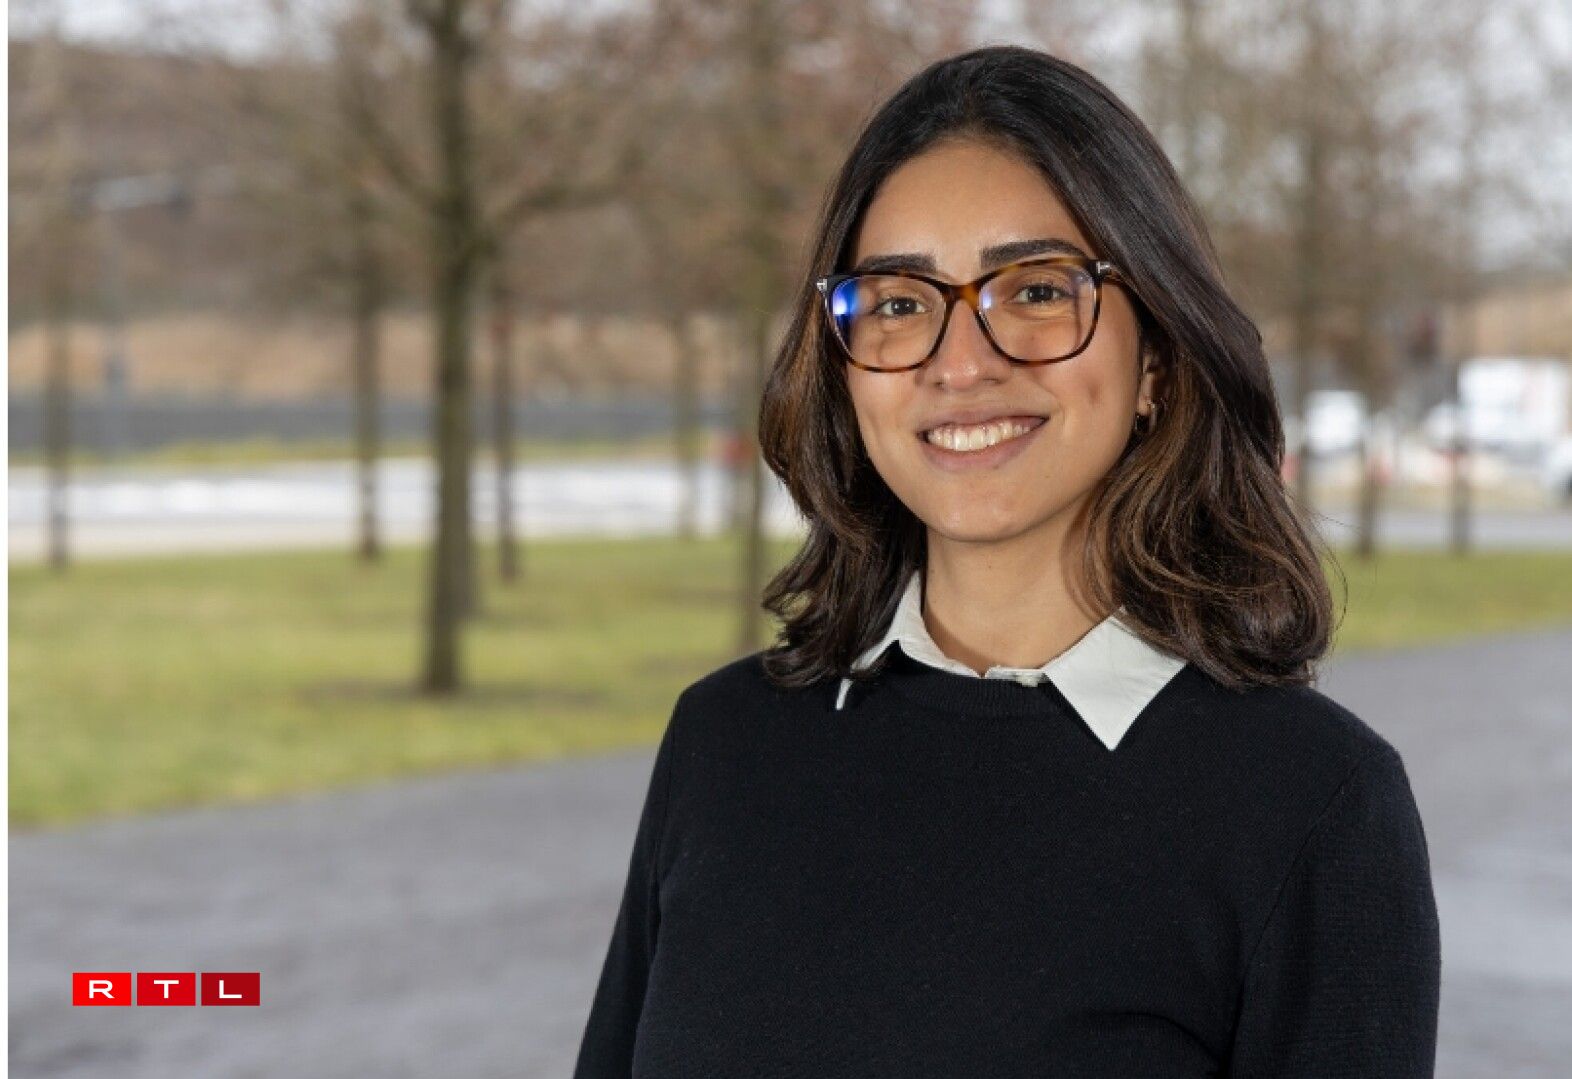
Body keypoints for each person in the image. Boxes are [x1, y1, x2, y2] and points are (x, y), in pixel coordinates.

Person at [572, 45, 1441, 1078]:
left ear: (1156, 356)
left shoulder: (1314, 803)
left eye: (1034, 290)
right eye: (898, 301)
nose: (961, 360)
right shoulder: (724, 745)